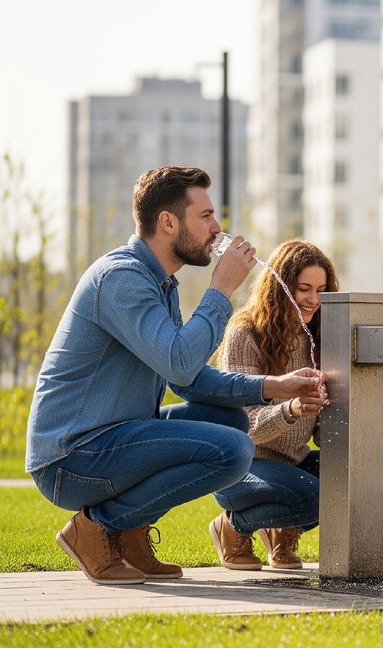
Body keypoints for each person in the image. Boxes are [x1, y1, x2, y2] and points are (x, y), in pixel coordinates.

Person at [25, 167, 325, 585]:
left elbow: (187, 380)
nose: (216, 228)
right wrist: (221, 289)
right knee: (234, 449)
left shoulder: (159, 284)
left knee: (230, 419)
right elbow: (180, 363)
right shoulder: (121, 278)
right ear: (168, 222)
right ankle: (96, 529)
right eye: (205, 216)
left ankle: (131, 533)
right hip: (71, 457)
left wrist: (272, 386)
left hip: (116, 437)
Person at [210, 241, 338, 570]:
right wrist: (291, 409)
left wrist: (332, 412)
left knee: (368, 478)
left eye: (321, 290)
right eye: (304, 289)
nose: (314, 300)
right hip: (242, 466)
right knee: (315, 498)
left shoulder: (320, 337)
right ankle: (232, 526)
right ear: (280, 287)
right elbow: (243, 426)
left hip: (293, 463)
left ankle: (282, 529)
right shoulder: (245, 335)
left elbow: (322, 435)